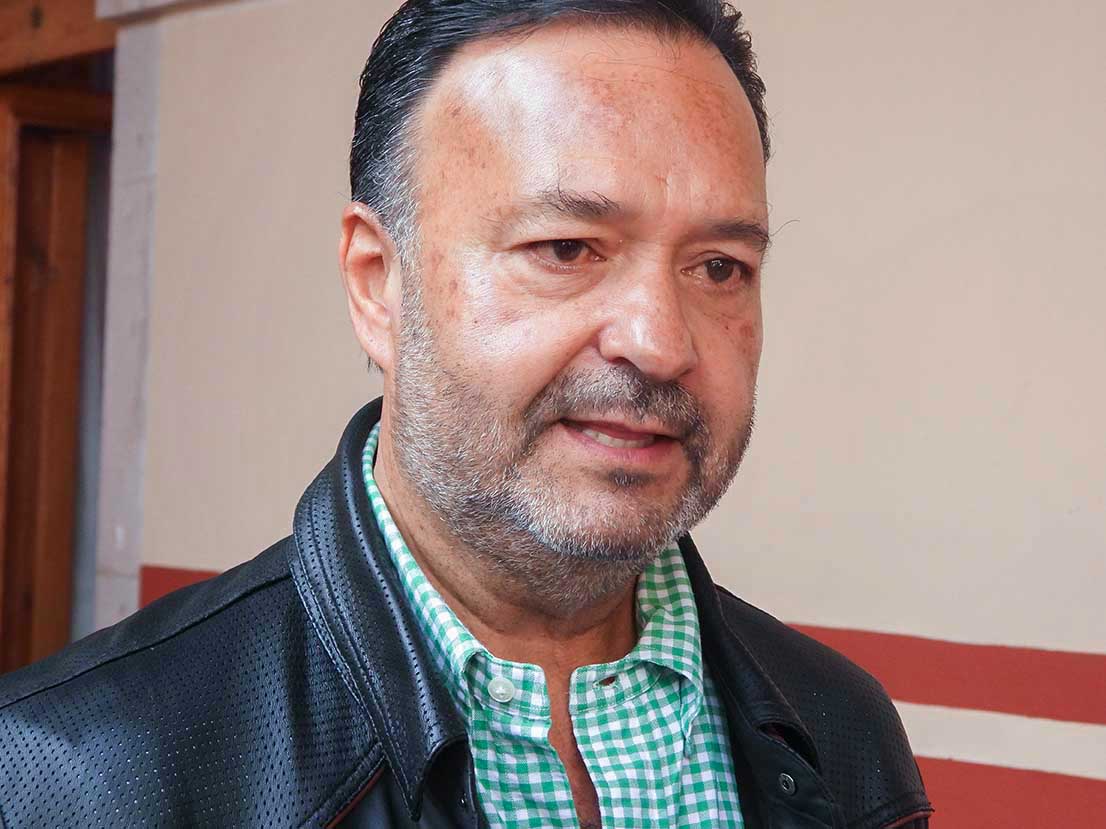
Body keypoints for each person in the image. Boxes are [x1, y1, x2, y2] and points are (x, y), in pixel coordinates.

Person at [0, 1, 932, 827]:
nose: (660, 342)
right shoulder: (76, 777)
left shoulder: (844, 735)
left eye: (719, 266)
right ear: (378, 283)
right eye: (566, 247)